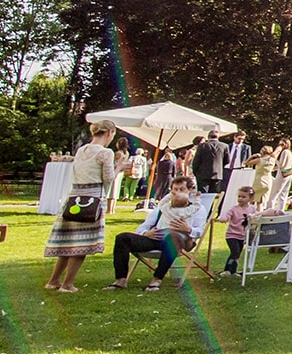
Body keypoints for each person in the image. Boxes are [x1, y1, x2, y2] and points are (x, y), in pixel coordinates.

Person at [44, 122, 117, 292]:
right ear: (109, 133)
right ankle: (68, 284)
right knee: (82, 243)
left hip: (74, 197)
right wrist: (119, 167)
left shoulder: (82, 149)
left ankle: (54, 280)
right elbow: (108, 178)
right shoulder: (106, 153)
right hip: (91, 198)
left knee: (68, 241)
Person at [107, 176, 200, 291]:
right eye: (175, 190)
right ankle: (121, 280)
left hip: (181, 240)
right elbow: (144, 226)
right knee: (123, 238)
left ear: (190, 190)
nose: (178, 193)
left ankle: (157, 279)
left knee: (172, 238)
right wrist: (145, 233)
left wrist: (189, 229)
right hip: (156, 237)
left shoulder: (196, 209)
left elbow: (200, 230)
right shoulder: (165, 207)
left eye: (182, 189)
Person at [217, 184, 259, 276]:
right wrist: (222, 218)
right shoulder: (234, 209)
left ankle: (233, 270)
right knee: (235, 252)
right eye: (239, 196)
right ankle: (227, 270)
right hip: (232, 235)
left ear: (250, 198)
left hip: (243, 236)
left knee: (237, 253)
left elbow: (257, 216)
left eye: (243, 197)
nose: (240, 198)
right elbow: (227, 216)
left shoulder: (252, 209)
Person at [191, 133, 224, 199]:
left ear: (208, 137)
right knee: (212, 195)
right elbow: (226, 160)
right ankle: (210, 208)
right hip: (217, 174)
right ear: (218, 137)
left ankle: (204, 208)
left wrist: (195, 172)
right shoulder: (224, 146)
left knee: (203, 195)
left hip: (203, 174)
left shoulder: (202, 146)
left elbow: (196, 161)